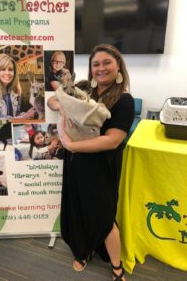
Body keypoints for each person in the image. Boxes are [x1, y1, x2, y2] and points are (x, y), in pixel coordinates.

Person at [47, 44, 134, 281]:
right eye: (96, 64)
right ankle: (82, 251)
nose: (101, 68)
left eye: (107, 62)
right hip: (76, 165)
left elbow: (112, 141)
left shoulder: (125, 100)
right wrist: (61, 102)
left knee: (104, 218)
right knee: (77, 210)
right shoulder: (84, 91)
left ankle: (117, 267)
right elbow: (53, 103)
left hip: (100, 168)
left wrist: (71, 145)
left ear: (118, 67)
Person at [0, 53, 35, 119]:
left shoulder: (16, 89)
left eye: (10, 69)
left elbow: (16, 114)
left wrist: (28, 114)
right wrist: (23, 117)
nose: (7, 73)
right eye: (3, 69)